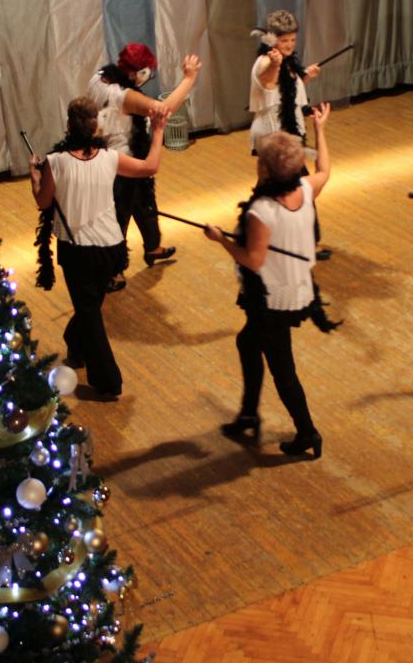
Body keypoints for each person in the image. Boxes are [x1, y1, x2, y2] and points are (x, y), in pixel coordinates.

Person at [204, 104, 337, 459]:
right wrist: (320, 129)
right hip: (296, 288)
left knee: (283, 369)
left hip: (273, 298)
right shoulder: (305, 188)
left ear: (264, 168)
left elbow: (253, 260)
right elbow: (325, 170)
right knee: (247, 343)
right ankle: (249, 413)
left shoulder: (262, 211)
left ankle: (307, 432)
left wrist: (221, 240)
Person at [30, 97, 166, 401]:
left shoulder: (55, 162)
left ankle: (108, 381)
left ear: (68, 125)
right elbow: (150, 166)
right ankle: (74, 343)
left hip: (77, 250)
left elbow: (43, 201)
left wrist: (35, 176)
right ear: (95, 127)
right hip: (111, 248)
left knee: (89, 312)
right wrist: (158, 131)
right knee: (90, 306)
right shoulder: (110, 157)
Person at [90, 44, 202, 292]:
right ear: (135, 73)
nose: (149, 76)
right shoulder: (123, 96)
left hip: (125, 156)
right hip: (121, 163)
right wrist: (189, 78)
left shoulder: (100, 77)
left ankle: (153, 247)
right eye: (147, 72)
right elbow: (163, 110)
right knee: (119, 217)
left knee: (144, 204)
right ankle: (113, 271)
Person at [249, 9, 331, 261]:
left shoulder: (288, 62)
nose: (289, 45)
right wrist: (275, 64)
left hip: (286, 132)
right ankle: (308, 241)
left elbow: (286, 94)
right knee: (301, 186)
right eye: (284, 40)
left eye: (293, 40)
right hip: (274, 136)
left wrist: (304, 78)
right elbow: (268, 82)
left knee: (273, 187)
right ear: (272, 39)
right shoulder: (266, 62)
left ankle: (264, 235)